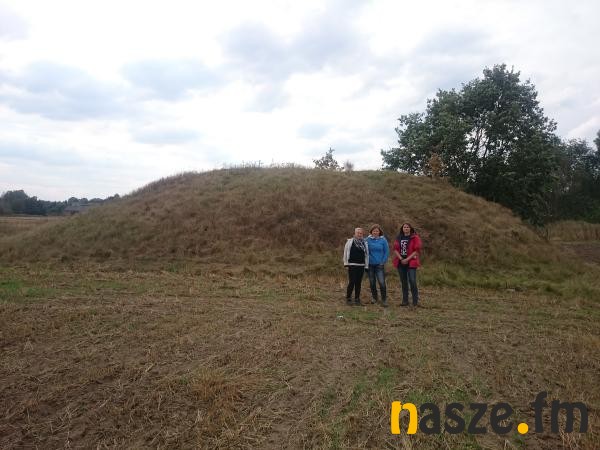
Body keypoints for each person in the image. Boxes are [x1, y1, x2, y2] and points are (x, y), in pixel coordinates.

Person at [393, 223, 422, 306]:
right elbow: (395, 249)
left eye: (407, 227)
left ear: (410, 228)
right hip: (401, 262)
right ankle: (405, 301)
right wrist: (401, 259)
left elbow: (417, 250)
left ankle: (415, 301)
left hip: (411, 262)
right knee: (404, 282)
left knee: (412, 281)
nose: (406, 228)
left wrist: (407, 259)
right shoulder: (399, 237)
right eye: (404, 227)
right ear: (402, 229)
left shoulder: (415, 237)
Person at [343, 227, 369, 306]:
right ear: (355, 233)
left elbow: (367, 255)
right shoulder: (350, 242)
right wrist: (345, 263)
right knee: (352, 282)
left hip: (361, 265)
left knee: (358, 283)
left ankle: (357, 299)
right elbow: (345, 252)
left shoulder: (365, 243)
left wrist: (366, 266)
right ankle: (348, 298)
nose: (359, 234)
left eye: (361, 233)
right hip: (352, 265)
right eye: (358, 233)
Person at [366, 224, 389, 307]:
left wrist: (383, 262)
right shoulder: (367, 240)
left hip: (379, 265)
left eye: (377, 231)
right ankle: (374, 298)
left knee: (382, 282)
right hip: (370, 265)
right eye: (374, 231)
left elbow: (386, 252)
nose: (375, 232)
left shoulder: (383, 240)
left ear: (379, 232)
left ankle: (384, 300)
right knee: (372, 283)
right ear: (371, 232)